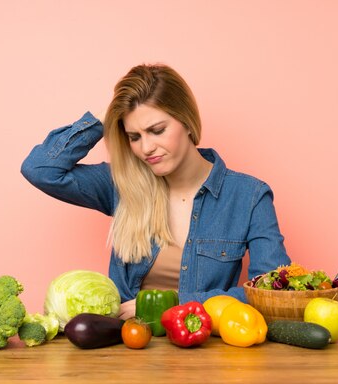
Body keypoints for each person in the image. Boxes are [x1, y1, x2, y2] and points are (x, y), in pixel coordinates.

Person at [21, 63, 290, 319]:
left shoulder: (249, 196)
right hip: (127, 348)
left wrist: (166, 305)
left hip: (202, 350)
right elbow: (40, 169)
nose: (146, 148)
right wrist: (109, 115)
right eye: (134, 137)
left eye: (157, 130)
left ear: (186, 121)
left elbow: (270, 292)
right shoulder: (123, 184)